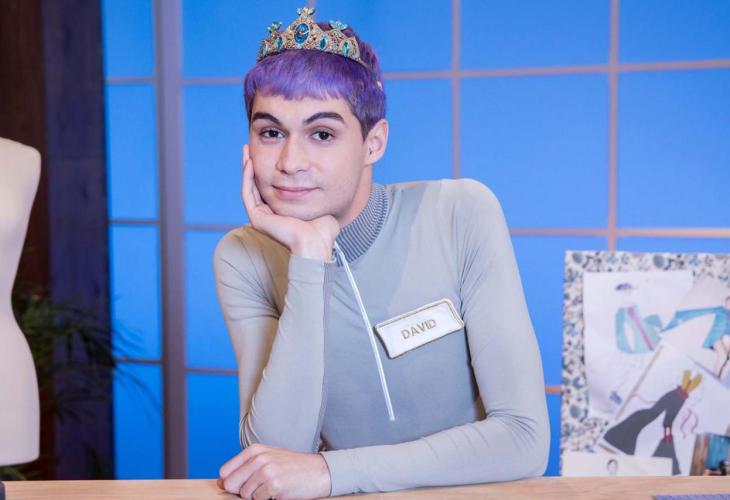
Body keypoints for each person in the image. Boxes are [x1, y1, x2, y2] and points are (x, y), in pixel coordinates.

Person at [214, 6, 549, 499]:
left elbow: (523, 438)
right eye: (271, 132)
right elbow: (274, 457)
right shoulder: (243, 257)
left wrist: (330, 472)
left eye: (322, 134)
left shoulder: (459, 213)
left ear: (374, 143)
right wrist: (309, 257)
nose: (290, 162)